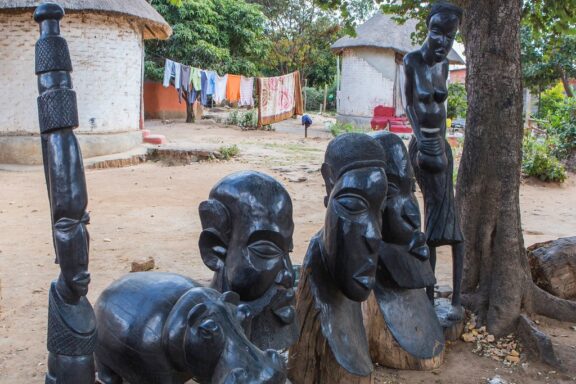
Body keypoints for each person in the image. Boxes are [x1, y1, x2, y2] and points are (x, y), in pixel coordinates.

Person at [403, 1, 464, 321]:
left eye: (450, 36)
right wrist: (425, 143)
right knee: (432, 217)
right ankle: (428, 291)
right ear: (428, 30)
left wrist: (440, 145)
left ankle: (454, 296)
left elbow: (441, 111)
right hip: (423, 147)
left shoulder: (444, 67)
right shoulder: (412, 61)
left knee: (448, 218)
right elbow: (410, 104)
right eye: (437, 32)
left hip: (443, 148)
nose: (442, 42)